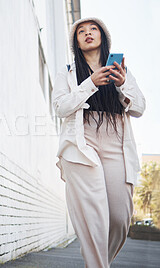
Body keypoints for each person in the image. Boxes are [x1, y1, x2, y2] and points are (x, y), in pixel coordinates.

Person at [51, 17, 146, 268]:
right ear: (76, 42)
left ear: (103, 36)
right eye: (81, 31)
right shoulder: (68, 72)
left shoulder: (120, 70)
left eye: (93, 29)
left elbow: (139, 108)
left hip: (117, 141)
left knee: (118, 218)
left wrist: (123, 84)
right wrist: (89, 84)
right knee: (93, 216)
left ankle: (99, 263)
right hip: (82, 142)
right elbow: (60, 107)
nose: (87, 33)